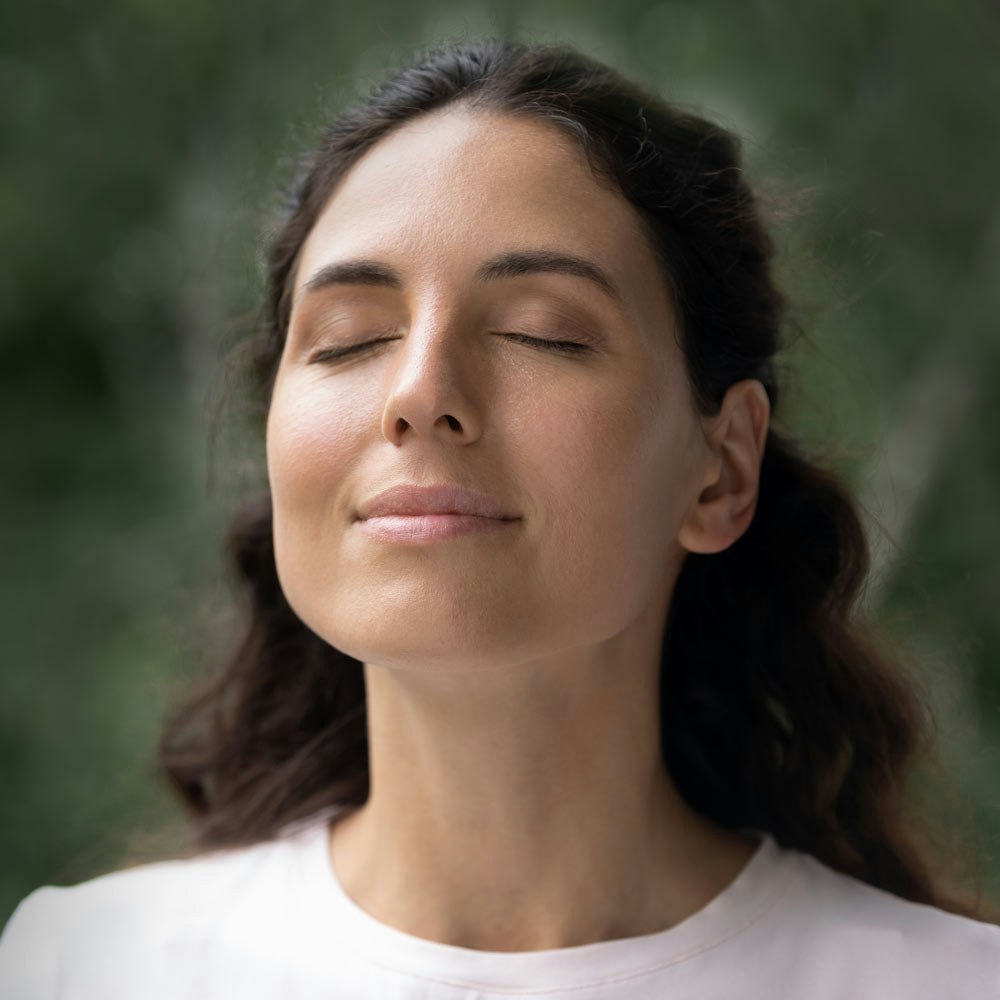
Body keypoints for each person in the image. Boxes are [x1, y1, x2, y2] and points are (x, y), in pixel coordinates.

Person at [1, 35, 998, 1000]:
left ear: (719, 471)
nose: (419, 389)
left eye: (541, 332)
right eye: (349, 341)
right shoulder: (82, 970)